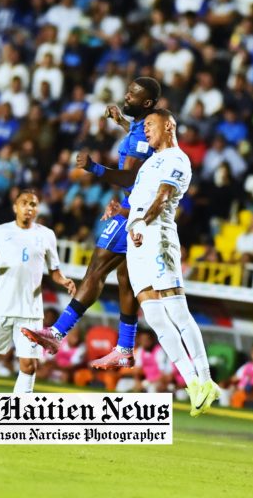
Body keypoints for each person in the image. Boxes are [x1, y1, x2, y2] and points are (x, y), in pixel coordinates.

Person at [22, 78, 162, 370]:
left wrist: (93, 168)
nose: (127, 95)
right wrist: (122, 122)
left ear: (147, 103)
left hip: (134, 211)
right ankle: (125, 347)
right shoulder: (145, 127)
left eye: (133, 95)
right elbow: (140, 146)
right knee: (126, 280)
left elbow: (129, 177)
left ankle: (56, 332)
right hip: (137, 210)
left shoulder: (141, 135)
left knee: (96, 269)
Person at [92, 108, 219, 414]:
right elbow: (139, 203)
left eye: (150, 124)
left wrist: (137, 224)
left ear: (169, 125)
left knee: (176, 309)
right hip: (137, 240)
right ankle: (192, 385)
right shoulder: (149, 163)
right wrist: (123, 213)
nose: (145, 130)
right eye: (144, 125)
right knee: (155, 316)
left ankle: (206, 380)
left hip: (157, 236)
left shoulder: (177, 159)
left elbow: (162, 199)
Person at [0, 189, 76, 395]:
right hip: (2, 307)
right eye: (25, 203)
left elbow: (54, 271)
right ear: (15, 207)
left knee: (29, 366)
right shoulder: (0, 232)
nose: (29, 208)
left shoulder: (46, 235)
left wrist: (64, 281)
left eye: (33, 204)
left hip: (31, 311)